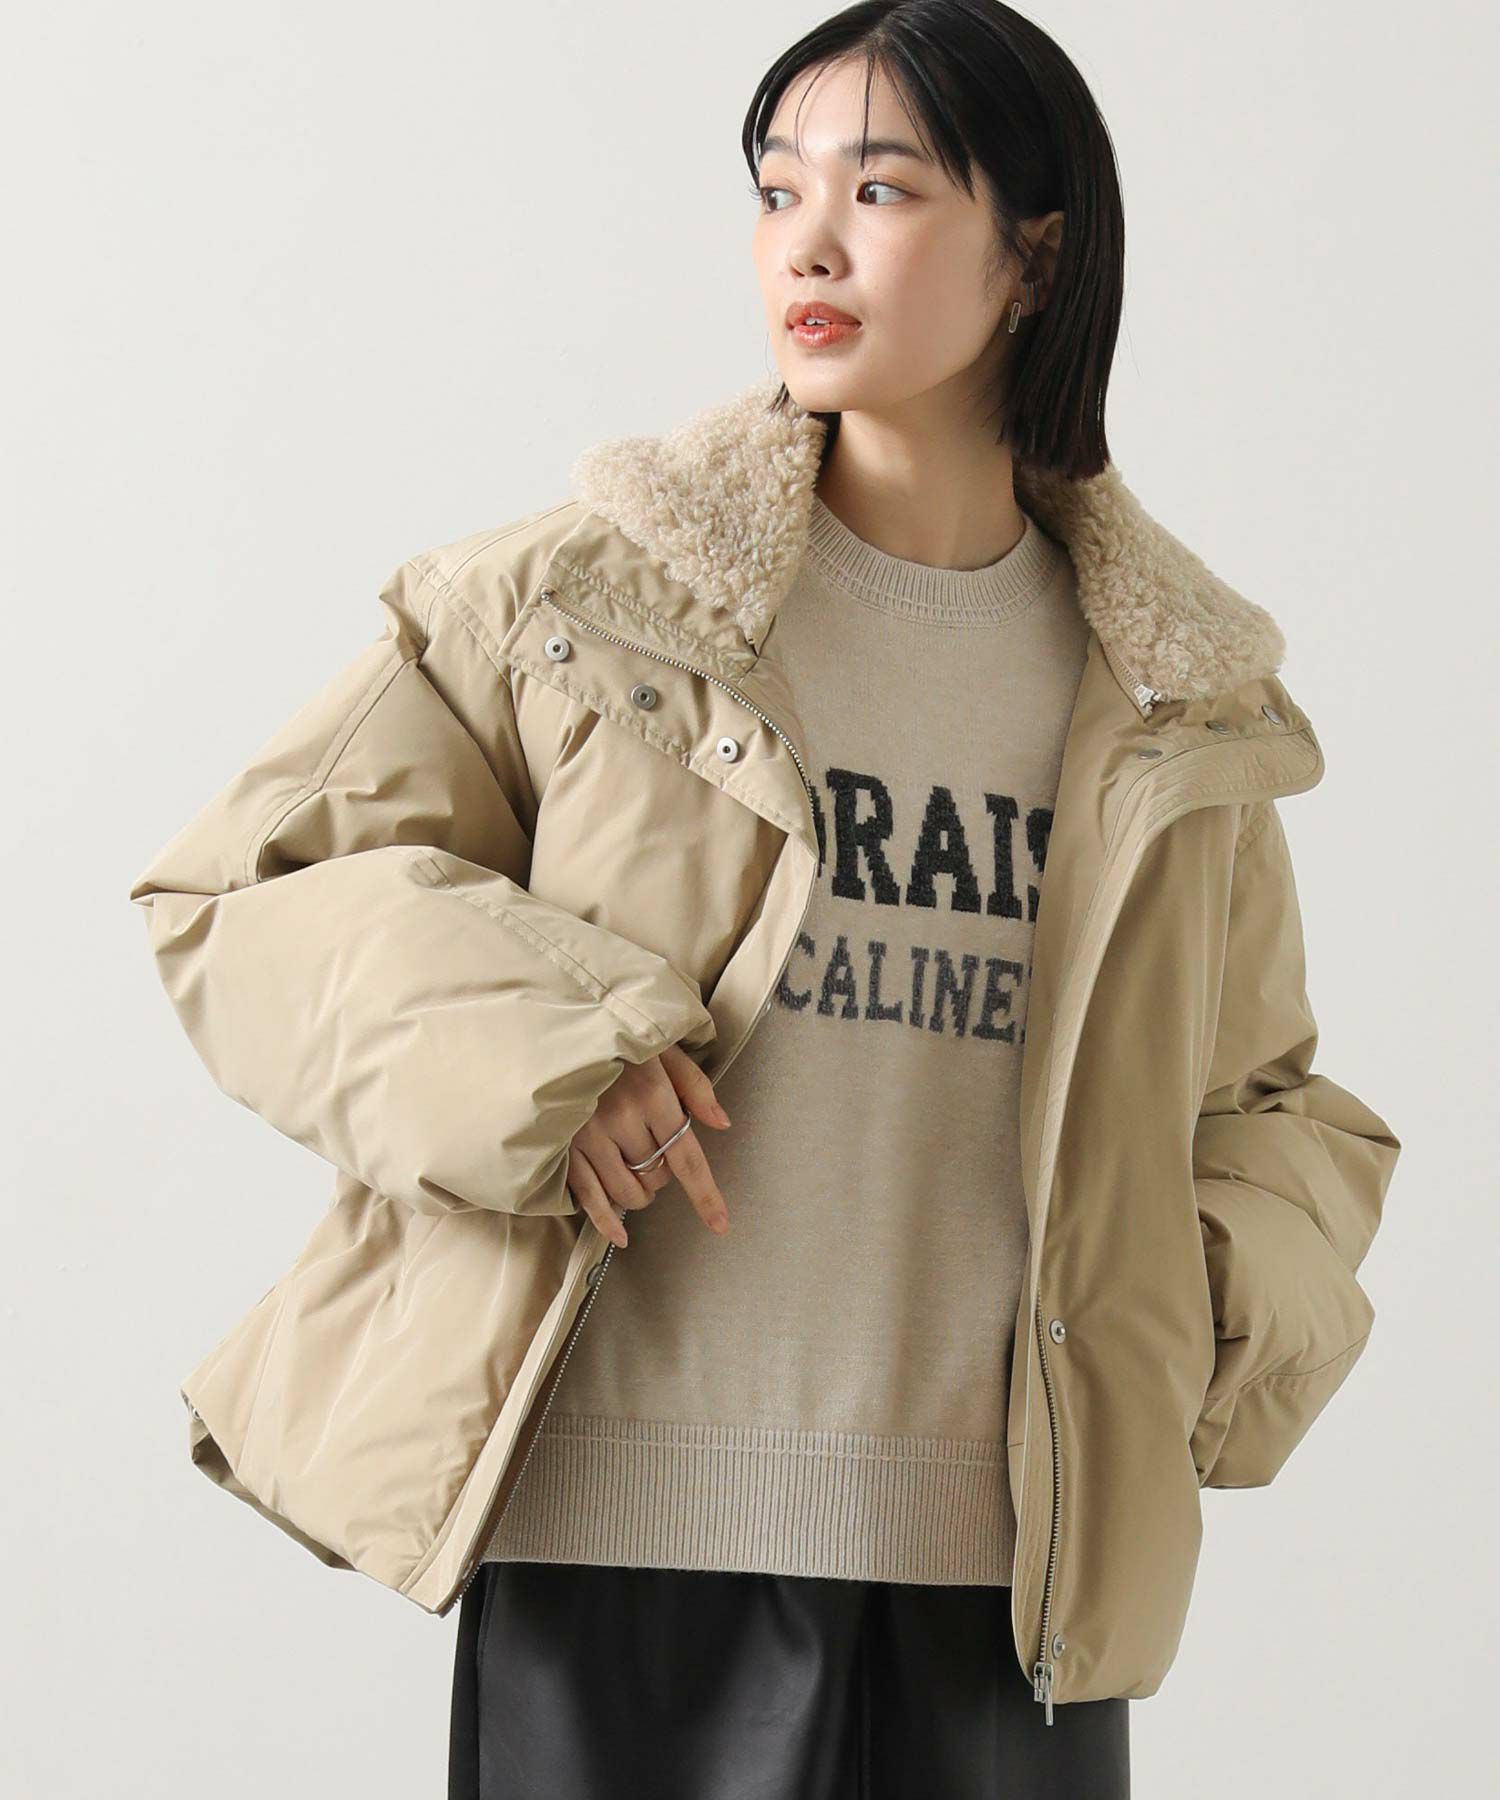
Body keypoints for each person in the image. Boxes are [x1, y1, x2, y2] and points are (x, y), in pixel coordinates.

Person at [128, 4, 1400, 1797]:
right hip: (623, 1539)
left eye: (880, 189)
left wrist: (1181, 1312)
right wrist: (546, 1058)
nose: (806, 241)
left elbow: (1261, 1103)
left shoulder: (1175, 699)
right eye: (777, 187)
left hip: (1010, 1581)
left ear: (1036, 258)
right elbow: (248, 890)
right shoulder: (588, 607)